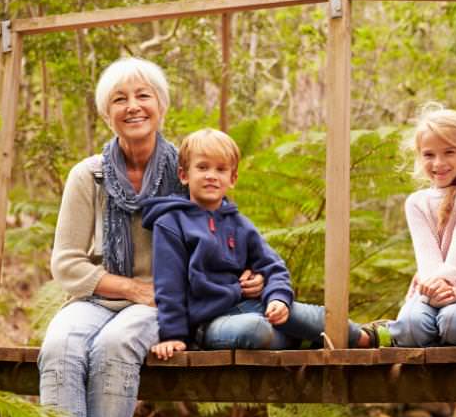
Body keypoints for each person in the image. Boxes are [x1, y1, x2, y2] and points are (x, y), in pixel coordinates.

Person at [37, 57, 265, 417]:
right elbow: (66, 263)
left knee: (114, 346)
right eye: (120, 99)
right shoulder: (89, 175)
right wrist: (132, 289)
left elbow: (224, 239)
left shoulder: (186, 169)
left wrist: (249, 273)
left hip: (168, 298)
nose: (133, 106)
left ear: (161, 105)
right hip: (97, 296)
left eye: (143, 96)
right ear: (108, 114)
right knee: (59, 348)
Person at [141, 128, 372, 358]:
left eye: (221, 169)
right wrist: (174, 335)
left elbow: (273, 266)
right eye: (202, 167)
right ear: (184, 175)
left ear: (232, 179)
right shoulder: (171, 223)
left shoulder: (240, 225)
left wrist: (278, 299)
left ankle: (370, 339)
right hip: (209, 323)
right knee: (255, 330)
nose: (211, 175)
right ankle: (301, 339)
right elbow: (169, 286)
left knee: (320, 317)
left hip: (254, 306)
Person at [372, 105, 456, 347]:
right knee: (411, 328)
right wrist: (435, 290)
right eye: (429, 154)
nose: (439, 162)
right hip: (433, 288)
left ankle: (449, 328)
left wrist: (447, 280)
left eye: (449, 152)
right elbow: (427, 257)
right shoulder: (417, 202)